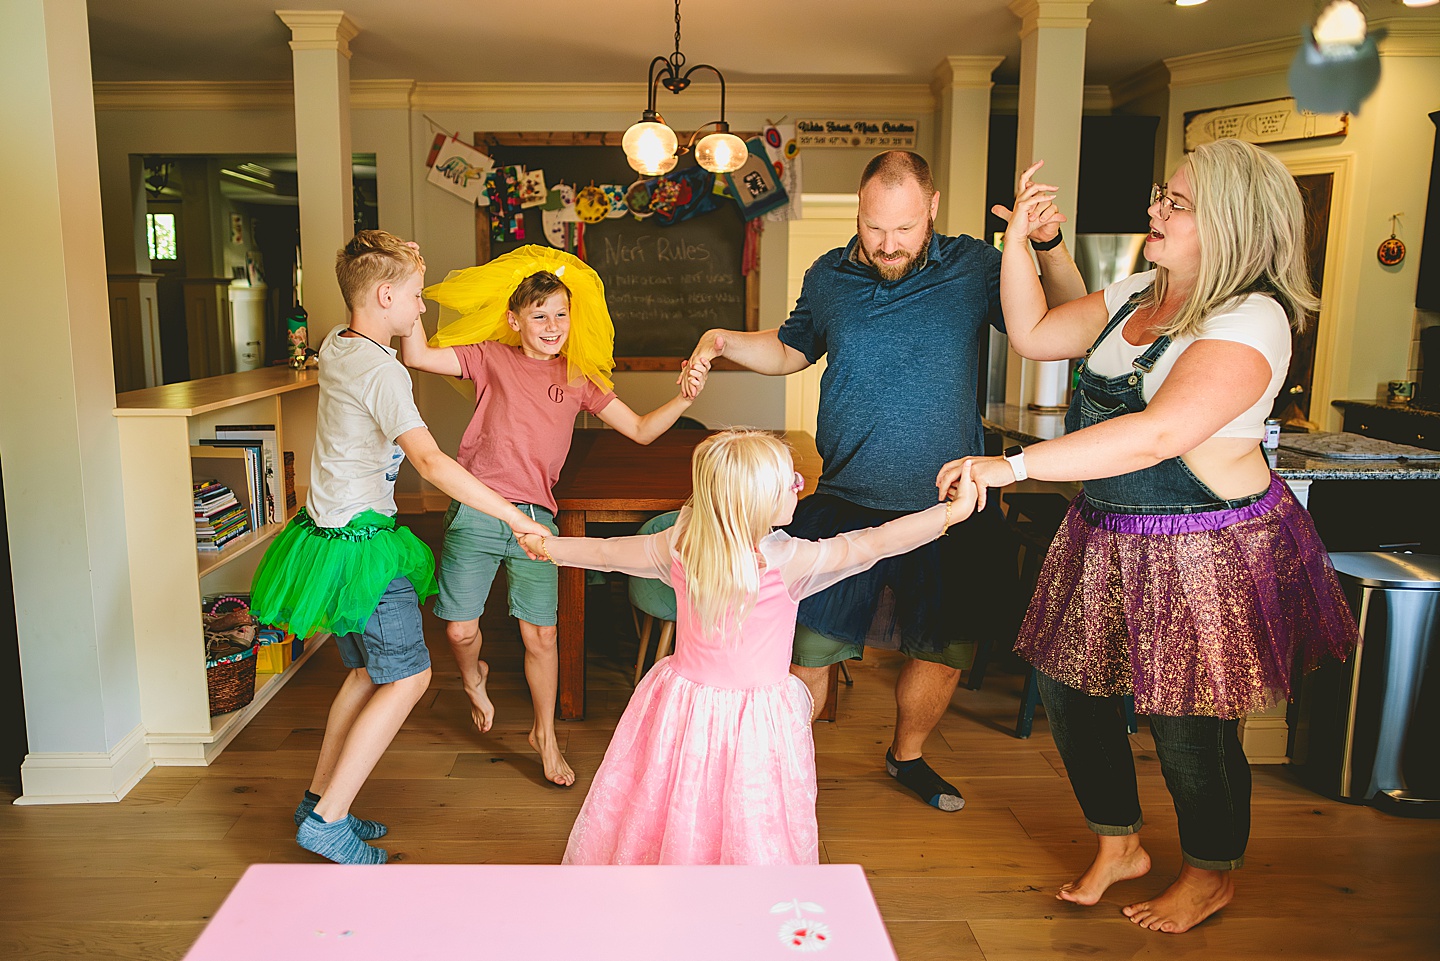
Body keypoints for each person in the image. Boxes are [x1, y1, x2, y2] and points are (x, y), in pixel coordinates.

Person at [936, 138, 1357, 933]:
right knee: (1071, 693)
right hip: (1108, 532)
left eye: (1177, 203)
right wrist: (1020, 241)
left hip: (1205, 548)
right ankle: (1118, 841)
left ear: (1231, 224)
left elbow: (1156, 434)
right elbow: (1033, 332)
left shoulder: (1253, 320)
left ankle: (1210, 871)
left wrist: (1011, 467)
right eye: (1162, 192)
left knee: (1189, 725)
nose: (1154, 208)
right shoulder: (1139, 290)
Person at [682, 151, 1087, 811]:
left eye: (902, 228)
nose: (887, 244)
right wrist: (726, 340)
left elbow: (1068, 322)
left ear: (931, 207)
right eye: (874, 227)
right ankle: (773, 771)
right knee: (805, 643)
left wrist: (1048, 246)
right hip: (845, 502)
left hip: (950, 508)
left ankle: (908, 757)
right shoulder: (830, 276)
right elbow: (790, 349)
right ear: (859, 214)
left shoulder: (977, 267)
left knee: (943, 651)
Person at [515, 430, 981, 864]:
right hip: (758, 718)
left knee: (675, 797)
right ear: (755, 502)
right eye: (788, 484)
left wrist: (550, 546)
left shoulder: (681, 544)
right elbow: (873, 544)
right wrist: (950, 514)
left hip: (685, 706)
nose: (798, 488)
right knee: (753, 810)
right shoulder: (788, 560)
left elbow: (605, 554)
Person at [249, 231, 552, 865]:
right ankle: (328, 821)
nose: (421, 311)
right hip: (363, 546)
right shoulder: (382, 370)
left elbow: (382, 300)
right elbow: (431, 461)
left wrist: (395, 254)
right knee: (410, 676)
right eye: (415, 297)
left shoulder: (338, 343)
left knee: (365, 673)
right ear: (385, 296)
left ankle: (318, 801)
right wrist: (513, 517)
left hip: (325, 538)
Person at [398, 246, 707, 787]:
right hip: (475, 508)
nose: (551, 325)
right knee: (459, 631)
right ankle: (474, 678)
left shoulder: (581, 377)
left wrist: (682, 397)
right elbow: (419, 357)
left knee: (541, 637)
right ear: (515, 320)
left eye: (560, 314)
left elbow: (639, 430)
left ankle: (544, 734)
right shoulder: (490, 356)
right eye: (538, 315)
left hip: (536, 521)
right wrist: (408, 299)